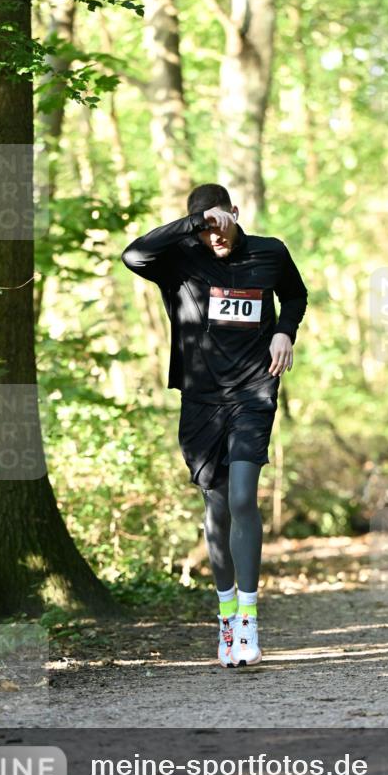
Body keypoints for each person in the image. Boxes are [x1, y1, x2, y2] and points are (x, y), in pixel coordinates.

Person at [121, 183, 307, 666]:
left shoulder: (269, 252)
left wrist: (285, 332)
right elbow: (132, 255)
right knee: (218, 509)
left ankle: (248, 622)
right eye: (207, 228)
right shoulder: (180, 260)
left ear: (237, 214)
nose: (217, 236)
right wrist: (194, 225)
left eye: (222, 222)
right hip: (202, 401)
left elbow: (296, 294)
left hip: (254, 392)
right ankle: (225, 618)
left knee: (244, 497)